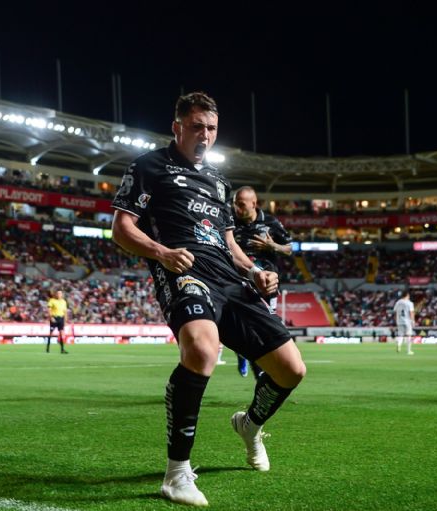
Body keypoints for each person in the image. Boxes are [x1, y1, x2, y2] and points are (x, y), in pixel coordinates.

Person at [111, 91, 306, 507]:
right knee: (202, 348)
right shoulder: (148, 166)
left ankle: (249, 425)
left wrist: (254, 271)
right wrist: (162, 253)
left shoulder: (220, 182)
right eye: (197, 126)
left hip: (230, 280)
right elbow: (122, 228)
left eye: (212, 128)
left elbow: (229, 244)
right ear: (177, 127)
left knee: (291, 369)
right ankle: (177, 473)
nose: (205, 134)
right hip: (184, 272)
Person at [232, 185, 293, 378]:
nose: (237, 208)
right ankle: (256, 367)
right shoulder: (230, 222)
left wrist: (272, 245)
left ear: (254, 203)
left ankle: (252, 359)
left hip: (268, 282)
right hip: (240, 280)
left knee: (266, 325)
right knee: (244, 325)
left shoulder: (270, 222)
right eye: (235, 204)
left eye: (241, 204)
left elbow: (289, 248)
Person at [393, 290, 415, 355]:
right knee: (408, 335)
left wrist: (396, 320)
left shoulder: (398, 302)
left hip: (399, 320)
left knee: (400, 335)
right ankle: (408, 351)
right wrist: (413, 321)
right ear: (407, 295)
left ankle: (399, 344)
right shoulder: (409, 303)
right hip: (407, 321)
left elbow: (395, 312)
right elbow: (411, 312)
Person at [46, 289, 69, 354]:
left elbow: (65, 312)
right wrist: (51, 317)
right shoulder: (52, 300)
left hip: (61, 318)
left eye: (60, 293)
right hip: (54, 318)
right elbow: (49, 310)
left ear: (62, 294)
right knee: (51, 333)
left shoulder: (64, 302)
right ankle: (48, 348)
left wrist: (65, 321)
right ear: (56, 294)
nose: (59, 295)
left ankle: (62, 349)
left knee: (61, 333)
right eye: (58, 293)